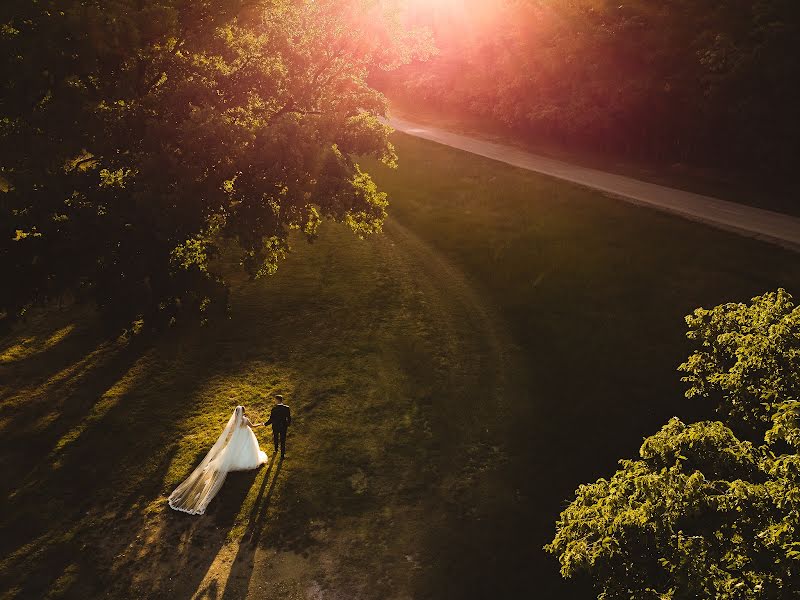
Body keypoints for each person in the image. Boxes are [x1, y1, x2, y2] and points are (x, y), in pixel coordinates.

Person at [168, 405, 268, 515]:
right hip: (246, 436)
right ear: (243, 412)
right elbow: (253, 426)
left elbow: (233, 430)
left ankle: (236, 460)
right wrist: (261, 424)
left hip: (238, 437)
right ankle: (246, 461)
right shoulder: (245, 420)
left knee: (234, 450)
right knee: (247, 449)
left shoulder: (236, 421)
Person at [265, 394, 291, 459]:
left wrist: (265, 424)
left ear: (277, 400)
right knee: (283, 440)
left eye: (275, 400)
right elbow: (289, 417)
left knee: (276, 438)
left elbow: (271, 419)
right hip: (283, 426)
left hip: (275, 426)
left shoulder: (274, 409)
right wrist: (287, 424)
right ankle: (282, 455)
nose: (274, 401)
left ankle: (276, 450)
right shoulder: (286, 408)